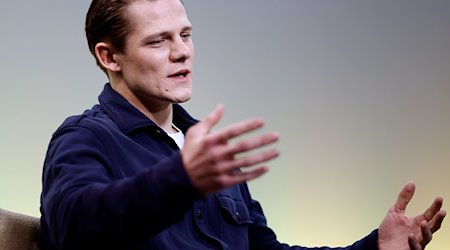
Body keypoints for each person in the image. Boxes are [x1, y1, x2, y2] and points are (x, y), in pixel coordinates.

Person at [40, 0, 446, 249]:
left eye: (185, 35)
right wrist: (180, 179)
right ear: (110, 57)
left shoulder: (210, 151)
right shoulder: (85, 138)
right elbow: (72, 229)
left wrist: (374, 247)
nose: (182, 53)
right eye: (158, 41)